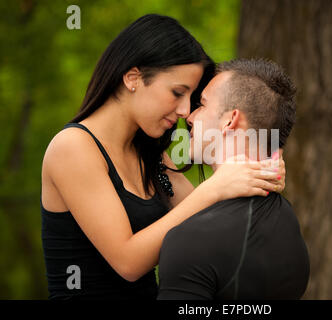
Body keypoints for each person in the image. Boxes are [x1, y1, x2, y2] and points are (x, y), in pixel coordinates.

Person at [40, 15, 286, 300]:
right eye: (177, 93)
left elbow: (209, 222)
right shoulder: (72, 148)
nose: (184, 111)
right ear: (133, 78)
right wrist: (216, 186)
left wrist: (256, 171)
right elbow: (127, 262)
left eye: (191, 98)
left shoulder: (150, 154)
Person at [157, 58, 310, 300]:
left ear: (230, 120)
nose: (189, 116)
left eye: (202, 105)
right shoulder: (288, 222)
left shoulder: (190, 242)